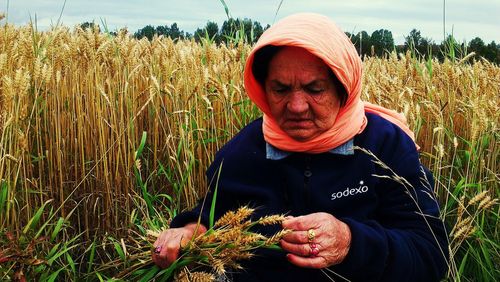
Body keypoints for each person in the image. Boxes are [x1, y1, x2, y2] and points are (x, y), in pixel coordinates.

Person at [152, 13, 449, 281]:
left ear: (343, 86)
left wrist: (350, 241)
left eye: (314, 89)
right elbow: (215, 219)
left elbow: (430, 255)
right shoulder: (240, 154)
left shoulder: (386, 146)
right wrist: (191, 232)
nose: (296, 107)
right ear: (262, 89)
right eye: (280, 89)